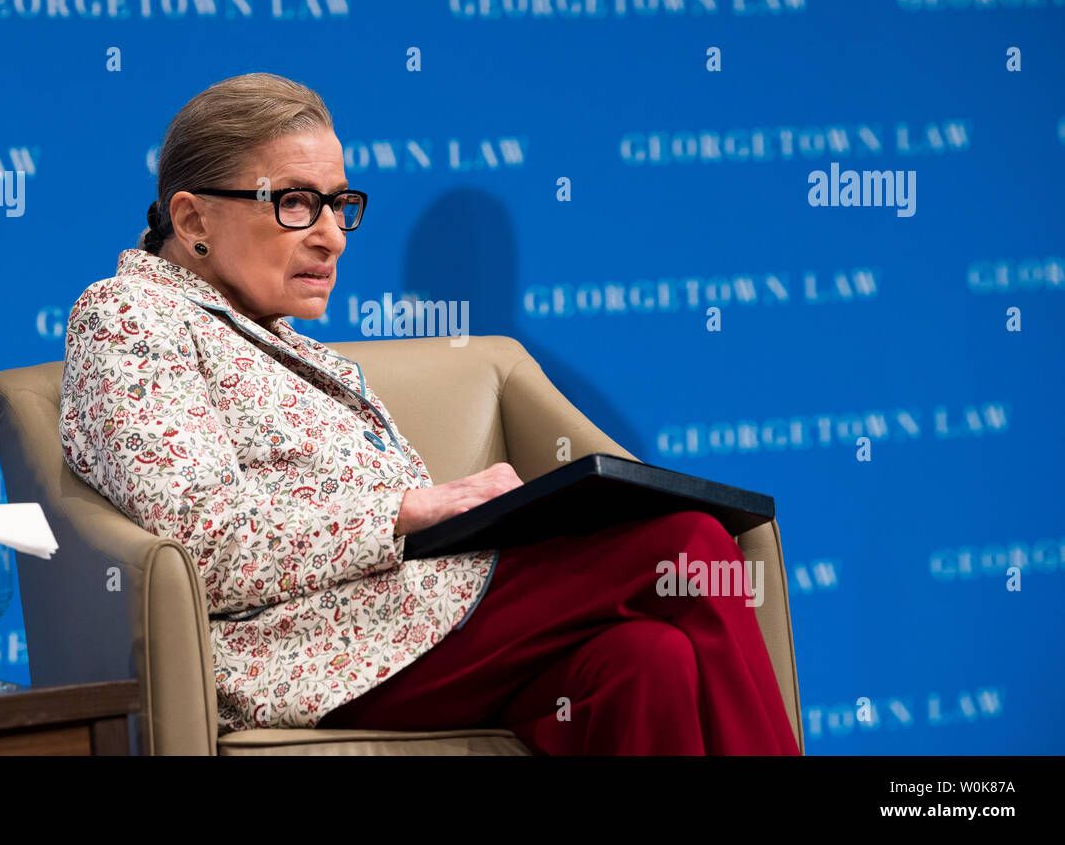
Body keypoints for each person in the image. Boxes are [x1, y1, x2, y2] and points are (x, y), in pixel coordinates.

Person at [59, 72, 801, 754]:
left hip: (411, 626)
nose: (330, 234)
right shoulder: (129, 315)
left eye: (339, 204)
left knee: (646, 663)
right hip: (304, 653)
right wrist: (408, 508)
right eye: (293, 202)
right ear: (193, 217)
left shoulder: (287, 343)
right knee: (685, 546)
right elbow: (201, 545)